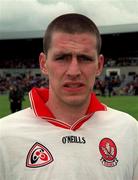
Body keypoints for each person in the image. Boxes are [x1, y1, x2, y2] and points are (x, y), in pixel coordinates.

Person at [0, 13, 138, 180]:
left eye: (85, 58)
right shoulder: (5, 135)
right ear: (43, 63)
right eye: (62, 58)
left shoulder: (129, 130)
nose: (74, 71)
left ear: (99, 65)